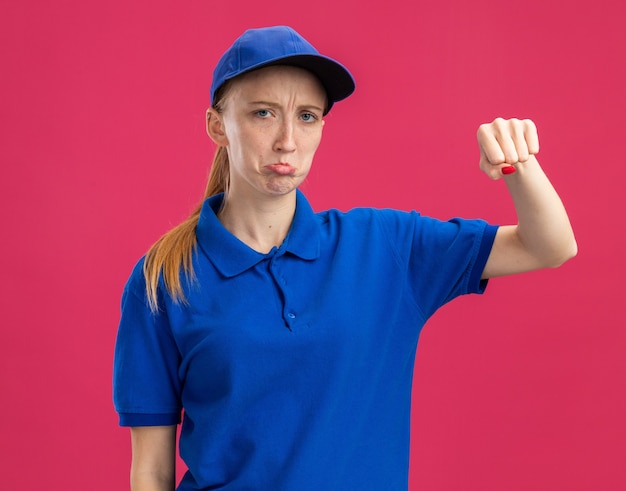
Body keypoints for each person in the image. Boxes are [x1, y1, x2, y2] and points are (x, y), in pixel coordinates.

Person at [113, 25, 577, 491]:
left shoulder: (386, 248)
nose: (287, 140)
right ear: (218, 125)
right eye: (263, 113)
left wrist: (519, 165)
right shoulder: (162, 280)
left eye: (308, 116)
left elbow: (549, 246)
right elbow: (151, 471)